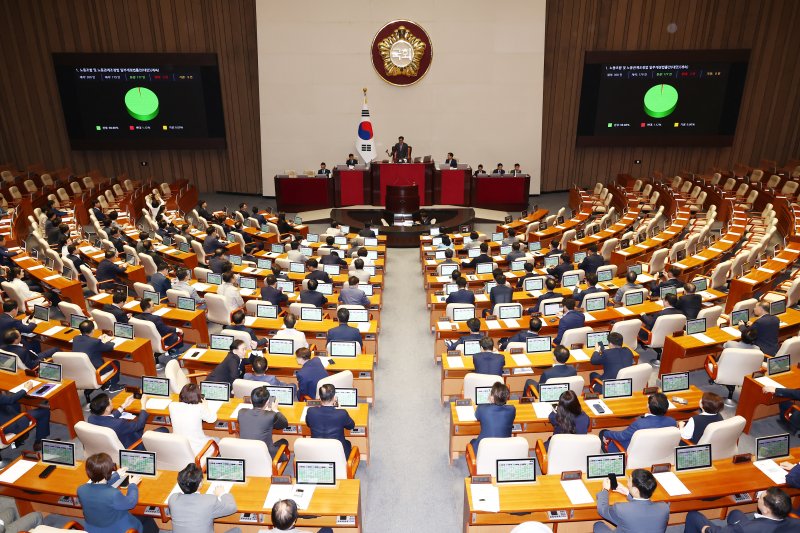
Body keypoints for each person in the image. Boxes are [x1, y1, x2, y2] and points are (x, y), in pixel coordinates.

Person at [77, 452, 154, 533]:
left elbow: (100, 485)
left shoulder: (81, 490)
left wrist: (117, 475)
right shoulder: (113, 494)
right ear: (109, 472)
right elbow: (131, 503)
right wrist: (133, 485)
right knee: (145, 516)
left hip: (92, 529)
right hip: (117, 529)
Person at [168, 463, 240, 533]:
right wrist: (222, 493)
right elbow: (232, 507)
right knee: (237, 530)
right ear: (200, 484)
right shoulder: (209, 501)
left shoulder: (172, 499)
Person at [684, 486, 792, 532]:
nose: (758, 497)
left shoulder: (746, 529)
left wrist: (706, 530)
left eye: (761, 497)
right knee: (735, 513)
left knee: (693, 516)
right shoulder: (796, 523)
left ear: (767, 510)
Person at [594, 468, 669, 533]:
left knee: (598, 525)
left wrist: (605, 490)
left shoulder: (621, 509)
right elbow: (642, 507)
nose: (627, 483)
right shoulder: (664, 508)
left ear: (636, 490)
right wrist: (628, 492)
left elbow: (602, 510)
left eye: (629, 480)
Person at [601, 393, 676, 452]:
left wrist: (606, 433)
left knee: (602, 433)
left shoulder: (639, 424)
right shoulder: (672, 422)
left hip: (628, 452)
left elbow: (621, 436)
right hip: (657, 453)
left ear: (648, 407)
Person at [88, 392, 161, 450]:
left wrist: (124, 405)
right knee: (163, 430)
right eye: (111, 402)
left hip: (111, 445)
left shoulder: (91, 418)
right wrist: (143, 406)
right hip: (133, 446)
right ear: (107, 409)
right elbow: (139, 425)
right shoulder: (119, 424)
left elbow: (109, 418)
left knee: (135, 419)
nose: (111, 402)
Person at [306, 383, 356, 456]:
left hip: (317, 451)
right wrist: (339, 410)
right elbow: (351, 426)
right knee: (348, 443)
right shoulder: (342, 413)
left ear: (319, 397)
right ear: (334, 398)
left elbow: (308, 424)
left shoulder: (310, 411)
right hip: (337, 452)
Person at [238, 385, 289, 457]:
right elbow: (284, 424)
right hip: (265, 455)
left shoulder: (241, 412)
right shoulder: (271, 415)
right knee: (284, 441)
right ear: (268, 402)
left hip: (245, 453)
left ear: (251, 400)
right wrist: (275, 409)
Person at [168, 383, 217, 455]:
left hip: (178, 446)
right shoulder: (199, 408)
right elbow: (213, 419)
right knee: (218, 440)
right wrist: (205, 405)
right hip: (197, 448)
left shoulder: (172, 406)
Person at [0, 381, 50, 450]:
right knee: (44, 411)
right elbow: (10, 400)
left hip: (3, 418)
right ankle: (39, 442)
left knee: (15, 402)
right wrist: (25, 389)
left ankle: (21, 437)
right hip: (10, 426)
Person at [74, 319, 121, 392]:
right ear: (93, 330)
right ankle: (114, 386)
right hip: (96, 371)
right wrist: (108, 340)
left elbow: (89, 343)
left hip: (81, 370)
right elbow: (109, 347)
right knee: (116, 363)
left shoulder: (76, 338)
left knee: (98, 358)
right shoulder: (95, 342)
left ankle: (106, 384)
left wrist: (99, 341)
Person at [471, 383, 515, 453]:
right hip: (504, 448)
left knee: (472, 442)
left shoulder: (482, 408)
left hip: (484, 449)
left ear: (492, 397)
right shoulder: (512, 409)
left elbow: (477, 416)